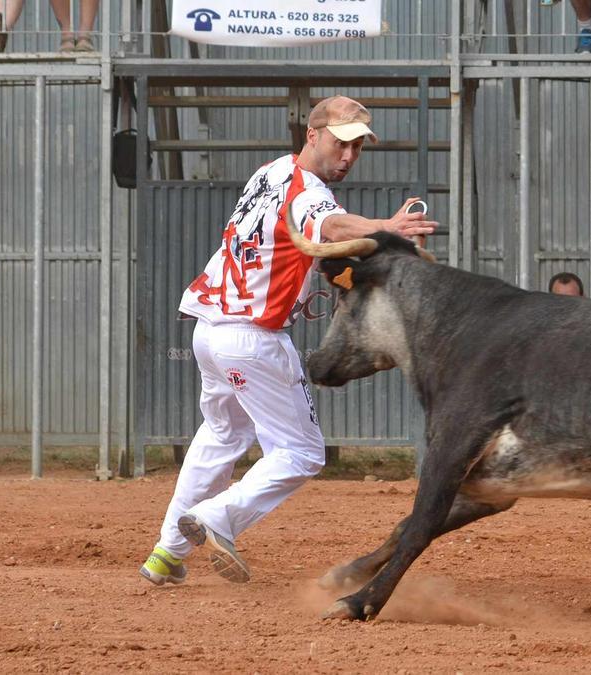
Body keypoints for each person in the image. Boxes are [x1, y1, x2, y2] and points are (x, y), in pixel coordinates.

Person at [139, 96, 438, 586]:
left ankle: (166, 554)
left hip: (210, 331)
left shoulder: (271, 171)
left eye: (357, 148)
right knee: (301, 453)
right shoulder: (308, 192)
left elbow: (303, 239)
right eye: (341, 144)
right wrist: (388, 227)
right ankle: (218, 518)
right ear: (312, 135)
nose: (348, 157)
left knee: (220, 436)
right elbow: (329, 223)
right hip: (253, 340)